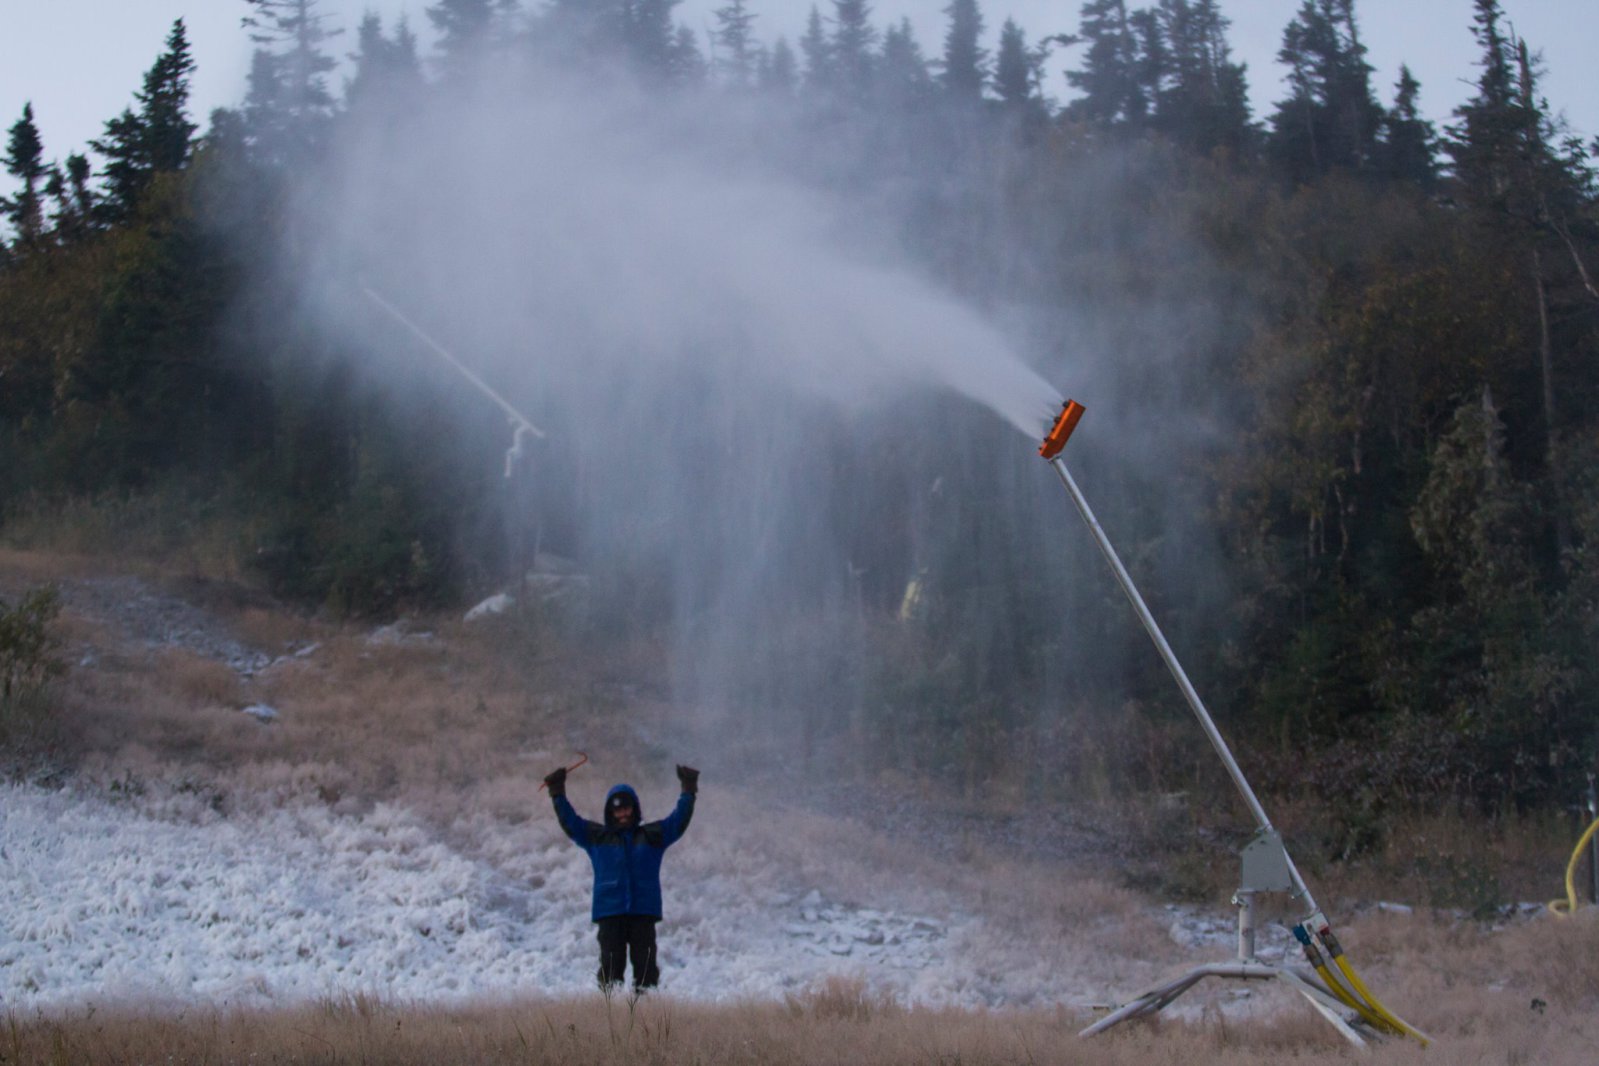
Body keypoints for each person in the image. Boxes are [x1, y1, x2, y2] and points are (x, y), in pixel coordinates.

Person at [544, 762, 698, 992]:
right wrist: (557, 792)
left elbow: (678, 821)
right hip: (610, 913)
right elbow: (571, 823)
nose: (623, 814)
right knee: (610, 969)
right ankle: (610, 1017)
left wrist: (688, 788)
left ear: (635, 809)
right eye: (618, 810)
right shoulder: (597, 837)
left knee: (646, 970)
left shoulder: (652, 835)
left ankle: (647, 1017)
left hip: (643, 913)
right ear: (610, 812)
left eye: (627, 809)